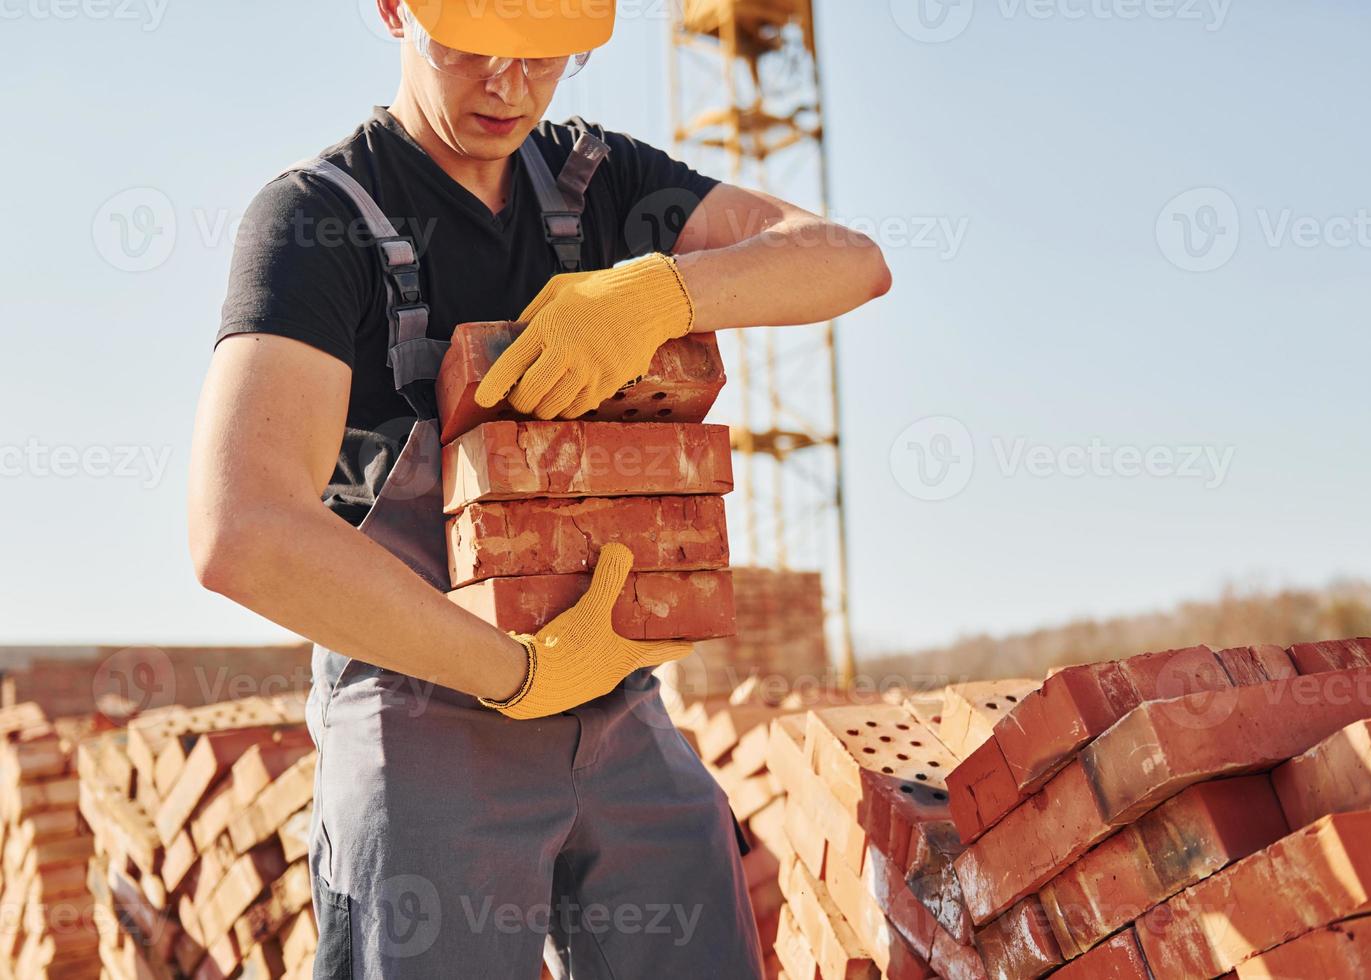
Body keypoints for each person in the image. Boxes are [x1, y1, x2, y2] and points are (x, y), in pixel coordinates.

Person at [187, 1, 890, 975]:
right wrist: (514, 670)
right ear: (395, 10)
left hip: (615, 696)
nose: (509, 83)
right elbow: (243, 528)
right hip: (418, 716)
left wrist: (661, 293)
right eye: (475, 43)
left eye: (542, 53)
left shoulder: (597, 183)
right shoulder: (321, 219)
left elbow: (852, 262)